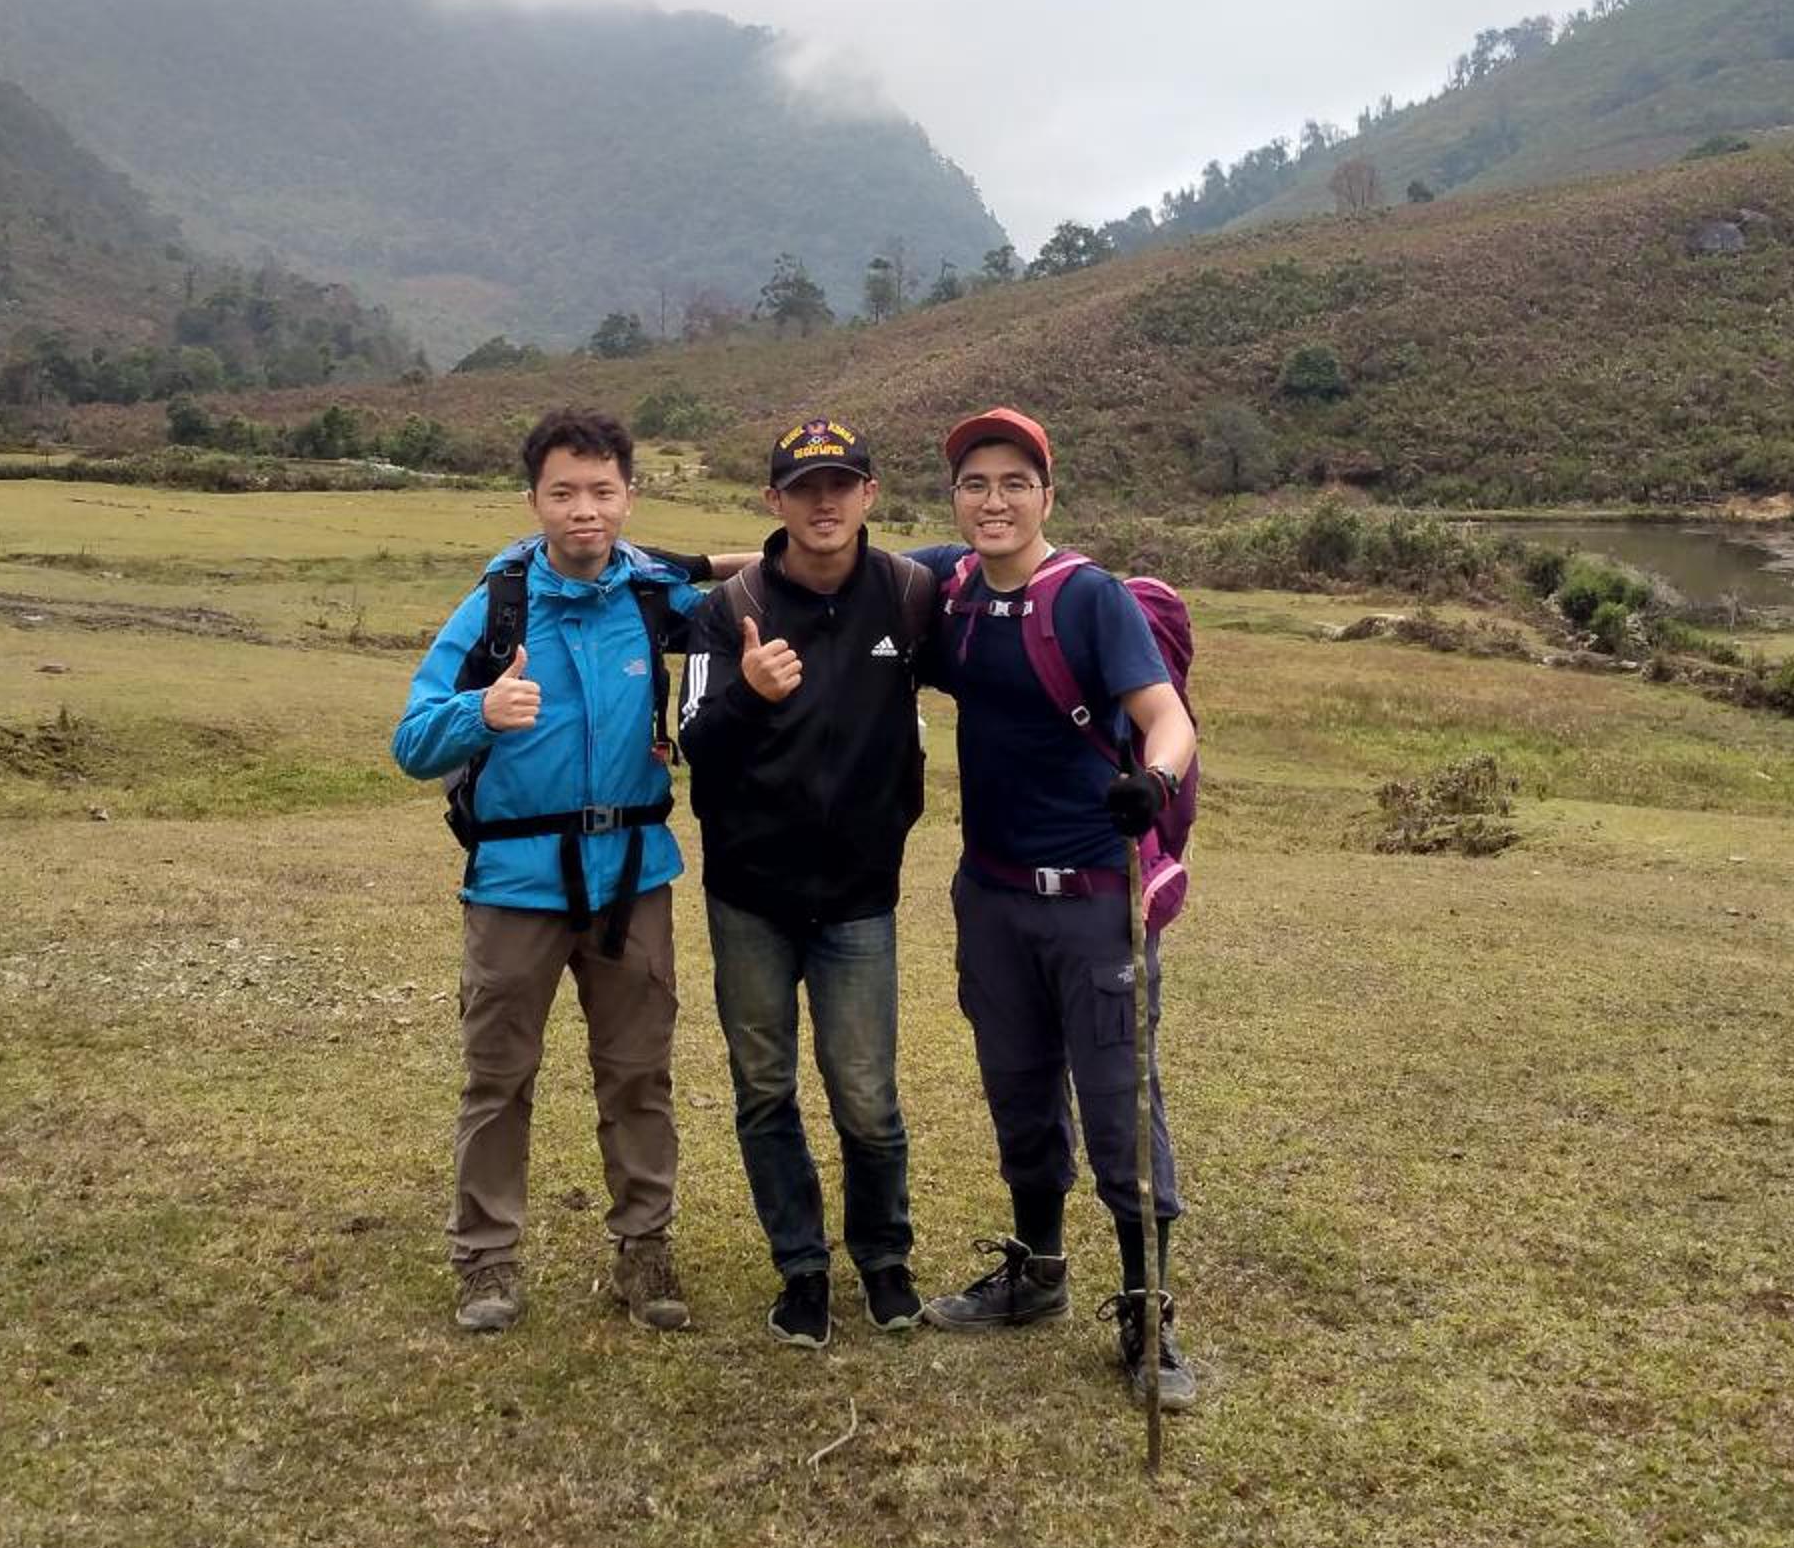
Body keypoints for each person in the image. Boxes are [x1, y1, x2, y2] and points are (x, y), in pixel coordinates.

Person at [392, 407, 714, 1337]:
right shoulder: (494, 608)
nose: (584, 511)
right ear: (533, 499)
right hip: (513, 882)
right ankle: (486, 1258)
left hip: (633, 877)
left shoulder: (656, 599)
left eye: (602, 492)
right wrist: (481, 713)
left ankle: (644, 1246)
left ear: (630, 497)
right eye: (564, 492)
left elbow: (758, 588)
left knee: (640, 1074)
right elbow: (411, 741)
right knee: (498, 1077)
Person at [906, 407, 1203, 1410]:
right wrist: (692, 565)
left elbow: (1164, 718)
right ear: (955, 499)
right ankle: (1037, 1275)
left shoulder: (1089, 598)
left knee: (1119, 1101)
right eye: (975, 484)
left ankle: (1148, 1313)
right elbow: (830, 556)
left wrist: (1154, 783)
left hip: (1092, 898)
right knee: (1019, 1088)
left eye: (1014, 484)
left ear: (1047, 495)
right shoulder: (950, 589)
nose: (993, 501)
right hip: (991, 893)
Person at [678, 415, 938, 1347]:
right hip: (749, 893)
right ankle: (801, 1268)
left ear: (869, 494)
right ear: (774, 501)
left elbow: (999, 639)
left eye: (840, 485)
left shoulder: (909, 595)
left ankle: (884, 1257)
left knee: (866, 1093)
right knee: (764, 1087)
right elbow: (695, 745)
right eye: (803, 489)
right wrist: (750, 693)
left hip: (860, 896)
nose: (823, 503)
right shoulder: (730, 608)